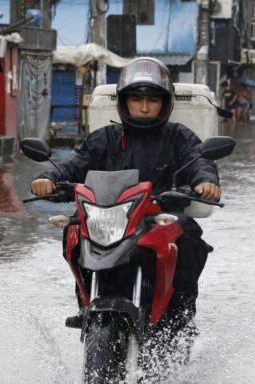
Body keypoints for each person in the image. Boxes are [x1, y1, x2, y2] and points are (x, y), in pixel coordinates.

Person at [31, 57, 221, 335]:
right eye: (136, 99)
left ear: (165, 103)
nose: (144, 107)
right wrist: (48, 178)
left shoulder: (179, 137)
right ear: (124, 102)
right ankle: (86, 303)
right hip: (111, 216)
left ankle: (179, 318)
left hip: (159, 216)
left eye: (153, 100)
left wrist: (206, 182)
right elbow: (73, 163)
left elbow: (200, 161)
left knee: (189, 237)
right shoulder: (104, 138)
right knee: (73, 229)